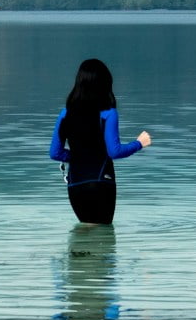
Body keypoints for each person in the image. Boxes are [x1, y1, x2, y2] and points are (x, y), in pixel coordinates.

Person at [48, 58, 151, 225]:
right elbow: (114, 151)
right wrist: (139, 143)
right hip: (101, 182)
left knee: (82, 239)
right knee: (103, 238)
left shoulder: (65, 114)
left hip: (76, 185)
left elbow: (55, 153)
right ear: (105, 84)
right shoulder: (108, 113)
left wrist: (80, 156)